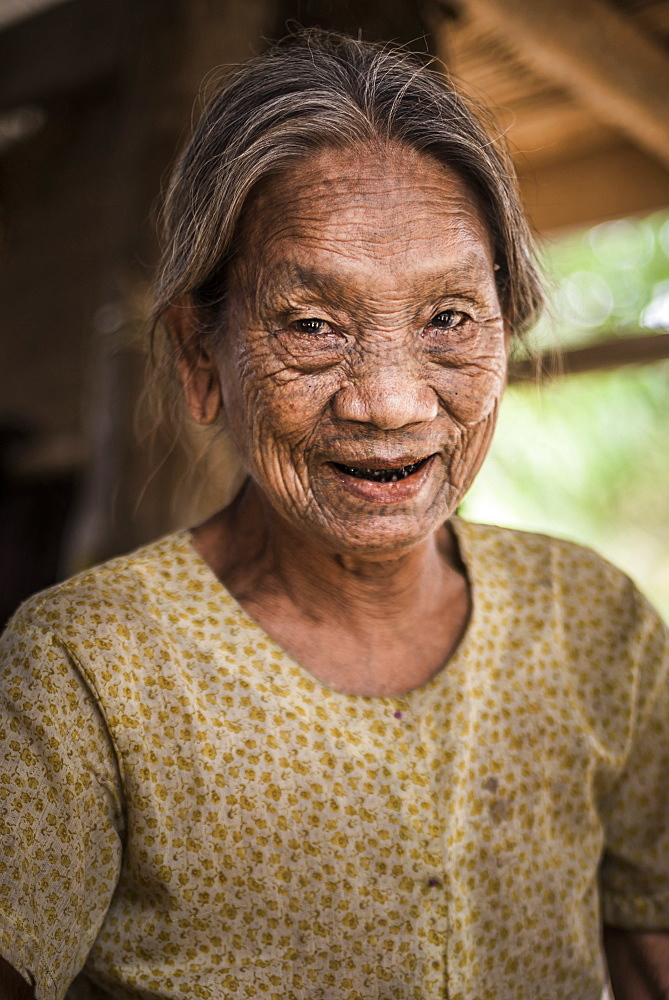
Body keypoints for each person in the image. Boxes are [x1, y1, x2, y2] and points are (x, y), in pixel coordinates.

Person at [1, 29, 668, 1000]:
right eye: (313, 324)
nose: (390, 402)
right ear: (200, 355)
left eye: (449, 318)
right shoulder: (90, 668)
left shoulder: (593, 624)